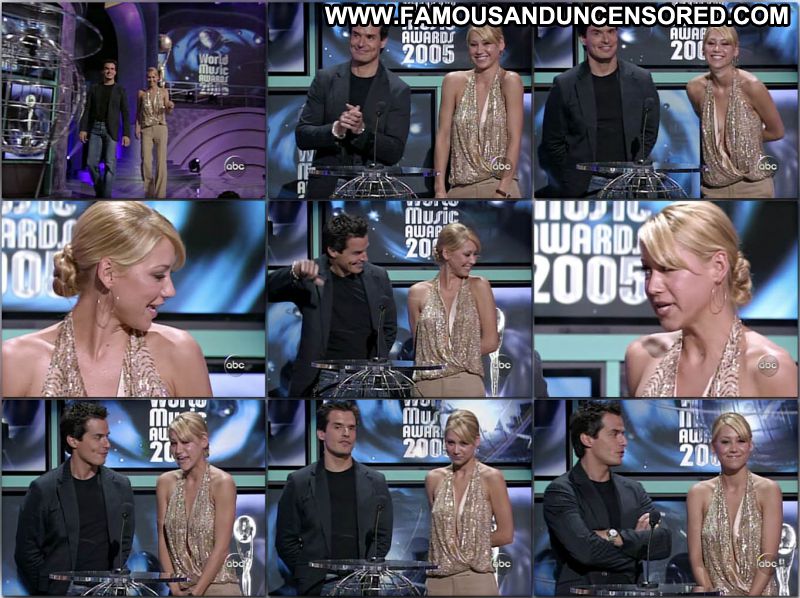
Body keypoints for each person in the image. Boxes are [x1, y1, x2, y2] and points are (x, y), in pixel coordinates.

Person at [1, 201, 212, 398]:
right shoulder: (16, 360)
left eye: (169, 275)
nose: (170, 291)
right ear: (108, 273)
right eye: (158, 276)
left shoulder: (179, 352)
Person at [626, 201, 797, 397]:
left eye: (668, 269)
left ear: (718, 267)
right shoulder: (642, 356)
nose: (652, 287)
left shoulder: (769, 368)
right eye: (647, 270)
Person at [543, 401, 671, 594]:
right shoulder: (561, 491)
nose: (624, 441)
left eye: (623, 433)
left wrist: (614, 536)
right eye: (614, 434)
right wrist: (636, 549)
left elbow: (663, 542)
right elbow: (586, 551)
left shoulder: (633, 490)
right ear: (587, 439)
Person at [267, 213, 397, 396]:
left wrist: (376, 361)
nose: (365, 258)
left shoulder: (379, 276)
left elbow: (388, 328)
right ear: (333, 251)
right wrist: (294, 272)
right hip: (322, 379)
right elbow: (267, 290)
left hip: (368, 377)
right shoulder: (310, 275)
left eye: (365, 250)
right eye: (357, 253)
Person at [14, 402, 134, 595]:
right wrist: (51, 588)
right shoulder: (44, 489)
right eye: (98, 437)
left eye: (107, 436)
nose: (107, 444)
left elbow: (124, 542)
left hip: (106, 589)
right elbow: (26, 551)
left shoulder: (120, 486)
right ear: (73, 440)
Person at [276, 401, 393, 595]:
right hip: (318, 585)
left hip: (362, 584)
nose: (346, 433)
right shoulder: (299, 481)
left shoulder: (376, 481)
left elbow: (382, 537)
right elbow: (285, 539)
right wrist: (306, 573)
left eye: (351, 428)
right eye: (338, 427)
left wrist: (369, 570)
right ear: (321, 433)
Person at [538, 26, 660, 197]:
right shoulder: (565, 84)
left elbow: (649, 132)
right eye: (597, 33)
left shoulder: (641, 79)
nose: (606, 40)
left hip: (631, 184)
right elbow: (552, 142)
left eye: (611, 31)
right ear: (583, 38)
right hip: (584, 187)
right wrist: (572, 177)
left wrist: (634, 167)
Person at [296, 24, 411, 198]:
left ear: (383, 41)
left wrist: (361, 131)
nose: (361, 43)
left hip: (372, 192)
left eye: (370, 37)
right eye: (356, 35)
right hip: (325, 189)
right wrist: (336, 129)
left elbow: (394, 152)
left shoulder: (397, 89)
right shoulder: (325, 79)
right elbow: (302, 136)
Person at [687, 412, 781, 595]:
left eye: (741, 441)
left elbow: (768, 559)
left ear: (750, 445)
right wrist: (712, 594)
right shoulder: (698, 494)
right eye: (725, 442)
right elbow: (697, 560)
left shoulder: (768, 490)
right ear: (713, 447)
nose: (734, 449)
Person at [687, 27, 784, 198]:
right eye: (711, 43)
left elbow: (776, 132)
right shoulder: (695, 88)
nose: (717, 49)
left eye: (725, 44)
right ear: (703, 49)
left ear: (736, 50)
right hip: (713, 188)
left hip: (753, 187)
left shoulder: (752, 86)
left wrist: (743, 140)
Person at [425, 409, 513, 595]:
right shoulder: (434, 479)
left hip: (476, 579)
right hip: (438, 581)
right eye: (450, 443)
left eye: (463, 443)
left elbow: (506, 534)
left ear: (477, 441)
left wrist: (468, 546)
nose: (456, 450)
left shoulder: (492, 478)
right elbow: (440, 532)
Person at [408, 223, 498, 397]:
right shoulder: (417, 292)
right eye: (467, 254)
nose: (472, 261)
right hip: (425, 384)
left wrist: (449, 359)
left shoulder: (479, 286)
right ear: (446, 253)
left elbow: (491, 342)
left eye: (475, 255)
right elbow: (418, 348)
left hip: (465, 380)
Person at [434, 26, 523, 199]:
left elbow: (514, 139)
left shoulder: (510, 81)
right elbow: (443, 137)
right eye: (474, 45)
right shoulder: (453, 81)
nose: (479, 50)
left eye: (486, 43)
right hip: (460, 188)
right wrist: (439, 189)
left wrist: (502, 190)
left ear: (501, 44)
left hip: (499, 185)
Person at [156, 412, 240, 596]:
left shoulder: (222, 483)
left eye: (185, 442)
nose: (178, 450)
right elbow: (162, 539)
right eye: (173, 443)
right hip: (178, 589)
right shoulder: (165, 483)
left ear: (203, 441)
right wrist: (173, 586)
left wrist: (196, 592)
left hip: (218, 586)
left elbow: (221, 548)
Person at [79, 59, 131, 198]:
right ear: (103, 71)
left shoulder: (120, 90)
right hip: (95, 128)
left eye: (112, 69)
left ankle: (105, 197)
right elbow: (87, 109)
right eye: (107, 68)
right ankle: (101, 190)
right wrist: (83, 129)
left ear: (115, 72)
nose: (109, 71)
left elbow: (125, 113)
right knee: (91, 163)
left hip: (111, 130)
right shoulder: (94, 88)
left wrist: (126, 133)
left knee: (110, 164)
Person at [136, 67, 175, 198]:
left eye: (154, 77)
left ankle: (160, 194)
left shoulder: (164, 92)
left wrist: (170, 106)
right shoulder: (141, 93)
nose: (151, 79)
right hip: (146, 129)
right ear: (146, 78)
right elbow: (138, 112)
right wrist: (137, 127)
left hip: (160, 128)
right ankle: (149, 192)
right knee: (146, 161)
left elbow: (168, 110)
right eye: (149, 77)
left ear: (158, 78)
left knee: (161, 162)